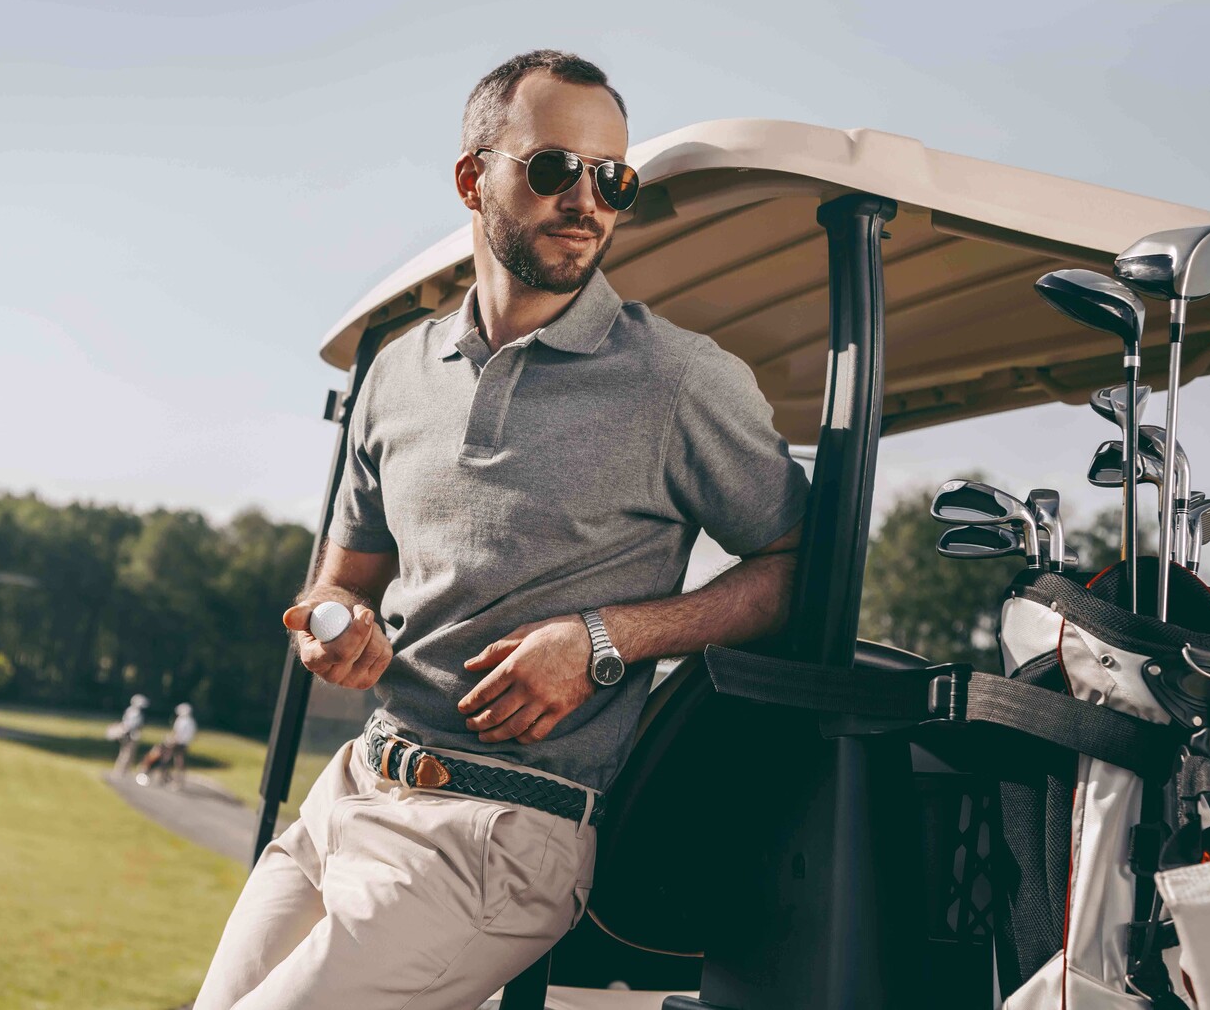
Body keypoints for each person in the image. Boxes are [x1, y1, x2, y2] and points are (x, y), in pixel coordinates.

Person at [194, 50, 809, 1009]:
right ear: (471, 178)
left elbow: (800, 567)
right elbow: (339, 582)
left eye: (613, 180)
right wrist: (334, 627)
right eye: (555, 168)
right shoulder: (396, 373)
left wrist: (606, 638)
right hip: (351, 790)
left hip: (502, 837)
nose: (588, 201)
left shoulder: (679, 381)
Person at [140, 702, 197, 788]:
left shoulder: (182, 720)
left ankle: (164, 778)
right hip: (183, 744)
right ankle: (174, 780)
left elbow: (177, 733)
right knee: (179, 762)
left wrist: (170, 740)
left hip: (176, 743)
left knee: (166, 759)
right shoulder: (191, 722)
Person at [112, 693, 148, 776]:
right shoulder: (134, 712)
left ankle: (124, 770)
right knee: (126, 754)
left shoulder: (132, 711)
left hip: (131, 734)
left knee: (128, 754)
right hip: (130, 735)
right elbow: (131, 725)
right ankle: (120, 771)